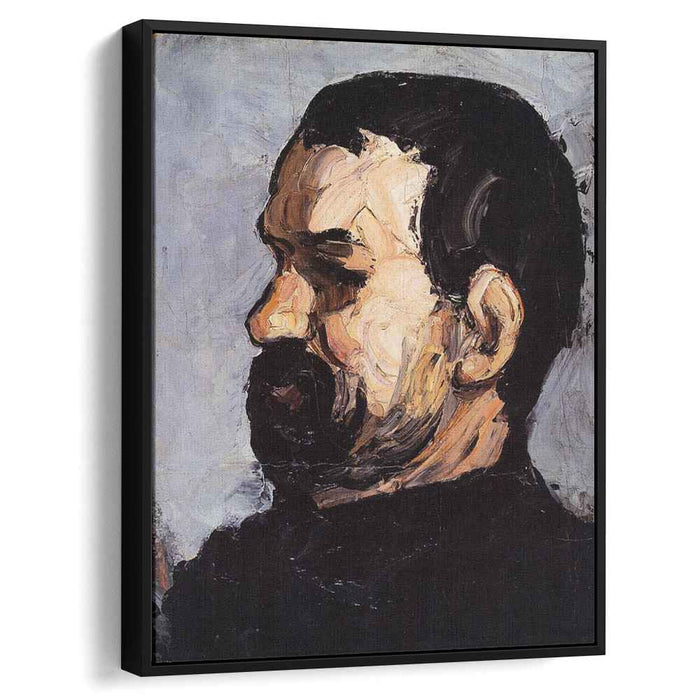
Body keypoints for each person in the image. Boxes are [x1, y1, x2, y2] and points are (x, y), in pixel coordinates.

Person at [158, 72, 594, 662]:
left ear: (484, 332)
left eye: (336, 272)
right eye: (281, 258)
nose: (267, 319)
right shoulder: (221, 588)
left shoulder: (561, 598)